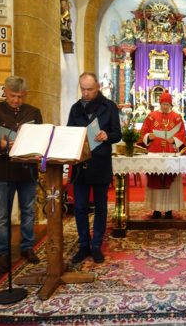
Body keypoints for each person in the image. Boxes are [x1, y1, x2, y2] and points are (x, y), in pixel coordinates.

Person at [0, 76, 43, 273]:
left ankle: (27, 247)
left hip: (26, 169)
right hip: (3, 169)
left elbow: (39, 139)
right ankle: (3, 252)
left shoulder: (33, 112)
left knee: (28, 212)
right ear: (5, 92)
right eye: (13, 96)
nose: (16, 100)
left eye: (20, 97)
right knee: (2, 215)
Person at [67, 72, 122, 264]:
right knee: (80, 207)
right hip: (81, 165)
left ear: (97, 87)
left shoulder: (109, 107)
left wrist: (107, 135)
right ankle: (84, 244)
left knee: (100, 207)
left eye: (89, 89)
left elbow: (117, 134)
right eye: (82, 89)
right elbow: (69, 132)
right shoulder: (75, 109)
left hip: (100, 164)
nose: (86, 93)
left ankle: (96, 244)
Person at [140, 90, 186, 219]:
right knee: (155, 179)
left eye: (167, 104)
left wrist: (175, 139)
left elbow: (182, 134)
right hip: (155, 153)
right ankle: (156, 209)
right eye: (163, 104)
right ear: (160, 103)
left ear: (171, 104)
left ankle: (169, 210)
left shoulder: (177, 118)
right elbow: (143, 132)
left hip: (171, 153)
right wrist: (149, 136)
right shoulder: (151, 117)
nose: (165, 106)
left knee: (171, 182)